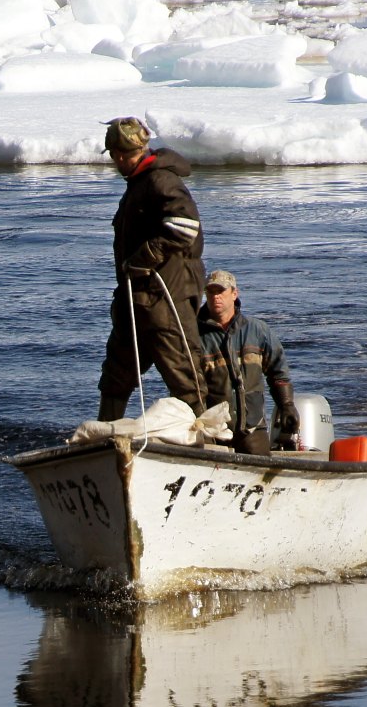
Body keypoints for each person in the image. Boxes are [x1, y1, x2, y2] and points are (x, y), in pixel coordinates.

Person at [98, 117, 207, 423]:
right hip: (136, 301)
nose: (118, 160)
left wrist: (143, 258)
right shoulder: (138, 183)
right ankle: (105, 438)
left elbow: (185, 227)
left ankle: (208, 443)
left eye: (120, 155)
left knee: (184, 376)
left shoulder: (160, 181)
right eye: (116, 155)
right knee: (116, 375)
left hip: (165, 299)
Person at [196, 269, 298, 456]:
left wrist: (287, 405)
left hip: (252, 426)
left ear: (234, 294)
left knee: (260, 470)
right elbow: (190, 386)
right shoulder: (195, 337)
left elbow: (278, 372)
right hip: (212, 428)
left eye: (221, 291)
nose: (215, 297)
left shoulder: (258, 330)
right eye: (210, 292)